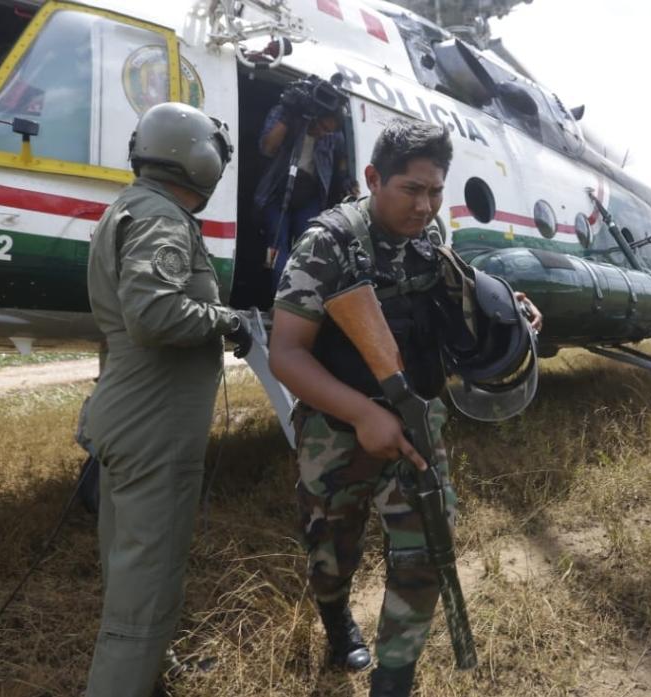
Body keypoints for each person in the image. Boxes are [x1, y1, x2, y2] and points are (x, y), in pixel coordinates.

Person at [268, 120, 541, 696]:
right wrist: (365, 415)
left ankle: (393, 680)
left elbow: (447, 292)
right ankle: (338, 624)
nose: (424, 205)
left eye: (435, 191)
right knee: (331, 555)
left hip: (418, 419)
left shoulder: (429, 233)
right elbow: (287, 354)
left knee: (425, 552)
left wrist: (507, 310)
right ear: (373, 179)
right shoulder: (327, 244)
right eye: (411, 190)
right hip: (338, 427)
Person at [77, 102, 256, 697]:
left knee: (132, 569)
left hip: (130, 413)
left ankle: (152, 670)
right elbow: (155, 314)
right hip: (154, 427)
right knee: (146, 590)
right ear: (199, 158)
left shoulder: (131, 207)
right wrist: (228, 319)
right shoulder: (160, 217)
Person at [252, 81, 356, 283]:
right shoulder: (284, 115)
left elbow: (342, 156)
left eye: (329, 130)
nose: (324, 133)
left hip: (309, 196)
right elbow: (267, 148)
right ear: (313, 115)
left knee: (308, 247)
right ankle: (278, 296)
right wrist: (288, 116)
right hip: (277, 192)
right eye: (322, 127)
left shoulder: (333, 136)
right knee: (277, 242)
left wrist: (345, 179)